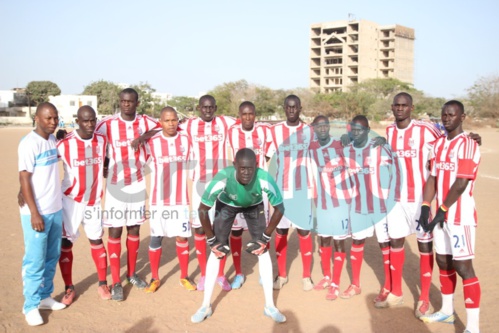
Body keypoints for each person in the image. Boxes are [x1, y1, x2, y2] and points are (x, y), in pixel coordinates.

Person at [375, 92, 481, 317]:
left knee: (425, 245)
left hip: (421, 199)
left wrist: (473, 137)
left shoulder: (427, 129)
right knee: (396, 240)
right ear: (392, 108)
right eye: (397, 105)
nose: (400, 109)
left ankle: (423, 298)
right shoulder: (390, 131)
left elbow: (451, 132)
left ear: (411, 108)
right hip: (397, 198)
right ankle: (396, 292)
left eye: (404, 105)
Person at [191, 148, 286, 324]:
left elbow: (280, 207)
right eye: (242, 168)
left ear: (256, 166)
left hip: (253, 206)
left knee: (262, 250)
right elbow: (202, 209)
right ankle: (205, 305)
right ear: (234, 165)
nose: (246, 173)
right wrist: (211, 240)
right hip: (227, 205)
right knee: (216, 251)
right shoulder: (223, 177)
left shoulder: (264, 177)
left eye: (250, 168)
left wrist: (265, 237)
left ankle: (270, 306)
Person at [418, 100, 481, 333]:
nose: (446, 118)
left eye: (451, 115)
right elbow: (433, 178)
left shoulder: (468, 144)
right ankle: (446, 311)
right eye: (444, 115)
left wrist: (443, 209)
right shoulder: (439, 144)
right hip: (440, 216)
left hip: (459, 215)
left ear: (462, 117)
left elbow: (461, 182)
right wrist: (426, 206)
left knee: (463, 267)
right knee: (443, 261)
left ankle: (473, 328)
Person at [95, 88, 160, 301]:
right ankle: (115, 282)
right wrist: (104, 164)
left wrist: (143, 136)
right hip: (115, 186)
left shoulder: (145, 121)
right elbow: (92, 137)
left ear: (137, 103)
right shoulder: (107, 124)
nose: (126, 105)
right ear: (119, 102)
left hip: (137, 184)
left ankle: (131, 274)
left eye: (130, 102)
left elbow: (162, 127)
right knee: (114, 232)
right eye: (123, 101)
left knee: (134, 229)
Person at [56, 106, 110, 305]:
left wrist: (105, 167)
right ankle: (69, 287)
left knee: (96, 241)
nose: (89, 125)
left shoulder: (102, 140)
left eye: (92, 120)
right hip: (71, 202)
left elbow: (107, 158)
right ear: (77, 121)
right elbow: (44, 164)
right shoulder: (64, 144)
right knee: (66, 244)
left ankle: (102, 283)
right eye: (84, 121)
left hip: (94, 202)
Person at [181, 95, 236, 291]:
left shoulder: (225, 122)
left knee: (221, 229)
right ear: (198, 108)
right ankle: (204, 274)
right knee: (199, 228)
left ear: (215, 107)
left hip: (221, 183)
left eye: (211, 107)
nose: (207, 110)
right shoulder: (189, 125)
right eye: (204, 107)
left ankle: (220, 275)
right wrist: (143, 136)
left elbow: (248, 121)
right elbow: (165, 126)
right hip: (199, 184)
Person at [18, 102, 66, 326]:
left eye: (55, 118)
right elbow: (25, 178)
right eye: (48, 118)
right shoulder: (29, 143)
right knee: (35, 261)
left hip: (55, 209)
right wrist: (34, 213)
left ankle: (45, 296)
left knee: (51, 257)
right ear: (36, 118)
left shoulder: (52, 140)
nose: (53, 122)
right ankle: (30, 306)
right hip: (37, 214)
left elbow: (43, 173)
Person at [143, 107, 197, 292]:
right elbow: (143, 165)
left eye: (174, 120)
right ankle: (155, 278)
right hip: (159, 200)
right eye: (167, 120)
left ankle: (184, 276)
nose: (171, 123)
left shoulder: (186, 140)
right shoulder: (153, 142)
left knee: (182, 237)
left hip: (181, 199)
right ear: (161, 122)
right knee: (156, 237)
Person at [340, 115, 393, 300]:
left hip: (380, 206)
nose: (357, 133)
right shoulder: (346, 151)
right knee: (357, 242)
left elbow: (396, 167)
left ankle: (387, 286)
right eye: (353, 129)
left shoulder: (379, 148)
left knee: (384, 244)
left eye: (360, 129)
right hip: (358, 206)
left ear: (368, 129)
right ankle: (355, 284)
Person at [267, 95, 314, 290]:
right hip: (281, 191)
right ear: (284, 108)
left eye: (295, 107)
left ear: (300, 108)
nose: (292, 110)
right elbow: (269, 158)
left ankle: (306, 277)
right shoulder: (275, 131)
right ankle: (282, 275)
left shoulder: (308, 131)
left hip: (302, 191)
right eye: (288, 107)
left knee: (304, 231)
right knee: (281, 231)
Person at [226, 101, 272, 289]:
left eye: (251, 114)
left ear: (255, 114)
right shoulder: (232, 132)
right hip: (238, 188)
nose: (247, 117)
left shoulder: (264, 132)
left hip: (258, 189)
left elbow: (268, 156)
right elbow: (231, 160)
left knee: (261, 232)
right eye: (244, 114)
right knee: (236, 231)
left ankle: (263, 272)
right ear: (239, 114)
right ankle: (238, 272)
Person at [308, 115, 351, 300]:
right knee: (324, 240)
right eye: (319, 126)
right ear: (314, 128)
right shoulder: (311, 148)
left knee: (339, 241)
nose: (323, 128)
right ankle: (327, 276)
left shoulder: (341, 145)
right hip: (322, 203)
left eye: (325, 125)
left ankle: (336, 282)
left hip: (340, 202)